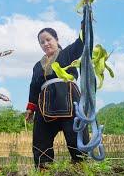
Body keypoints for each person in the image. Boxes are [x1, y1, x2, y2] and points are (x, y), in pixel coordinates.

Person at [25, 23, 91, 168]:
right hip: (45, 103)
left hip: (69, 99)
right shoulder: (37, 65)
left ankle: (81, 167)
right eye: (42, 42)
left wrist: (85, 25)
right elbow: (34, 87)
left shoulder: (67, 53)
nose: (45, 44)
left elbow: (81, 43)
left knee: (76, 136)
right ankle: (44, 169)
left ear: (56, 39)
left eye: (48, 39)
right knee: (40, 138)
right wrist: (31, 107)